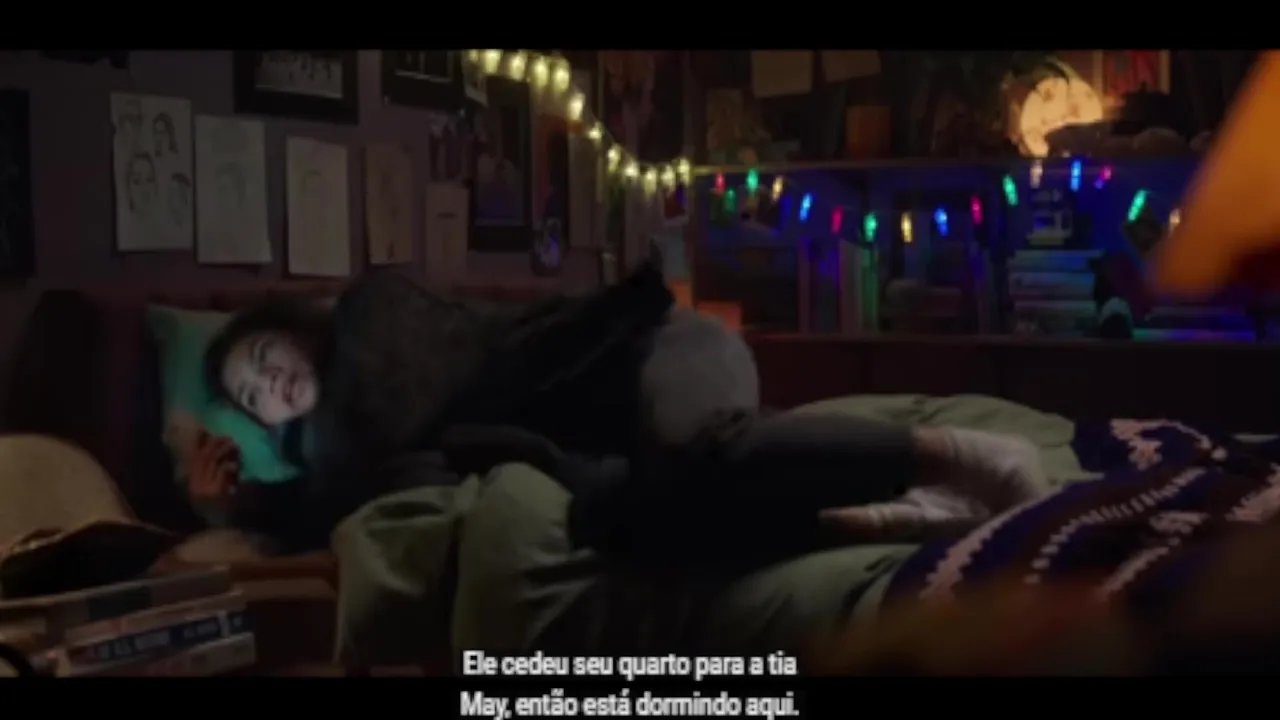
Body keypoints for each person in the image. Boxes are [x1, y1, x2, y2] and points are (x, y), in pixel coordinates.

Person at [193, 264, 1051, 561]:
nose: (270, 388)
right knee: (618, 523)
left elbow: (369, 435)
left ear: (297, 328)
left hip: (657, 353)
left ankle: (968, 455)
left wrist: (265, 496)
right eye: (250, 398)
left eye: (266, 359)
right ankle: (887, 516)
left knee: (694, 450)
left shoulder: (373, 314)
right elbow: (363, 495)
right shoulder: (358, 463)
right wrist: (224, 504)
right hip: (622, 442)